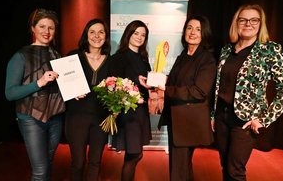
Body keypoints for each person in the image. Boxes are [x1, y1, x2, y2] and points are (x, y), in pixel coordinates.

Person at [211, 4, 283, 181]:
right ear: (236, 23)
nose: (248, 23)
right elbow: (219, 85)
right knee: (225, 165)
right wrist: (213, 115)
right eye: (243, 19)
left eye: (254, 20)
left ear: (260, 23)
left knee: (235, 170)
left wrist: (263, 119)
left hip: (246, 121)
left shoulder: (270, 49)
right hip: (221, 117)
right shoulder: (227, 50)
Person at [5, 8, 65, 180]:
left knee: (48, 165)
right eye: (42, 26)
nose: (46, 32)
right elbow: (10, 93)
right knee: (40, 171)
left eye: (51, 28)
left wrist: (72, 92)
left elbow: (60, 86)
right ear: (33, 28)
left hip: (55, 118)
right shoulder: (20, 56)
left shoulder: (56, 54)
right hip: (31, 119)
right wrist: (39, 82)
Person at [158, 15, 217, 181]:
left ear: (204, 33)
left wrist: (166, 90)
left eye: (198, 29)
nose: (193, 32)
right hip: (177, 119)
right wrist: (155, 81)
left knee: (179, 169)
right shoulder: (184, 55)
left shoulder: (207, 59)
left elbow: (199, 91)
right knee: (181, 166)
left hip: (188, 122)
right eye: (189, 28)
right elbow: (174, 82)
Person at [65, 18, 111, 181]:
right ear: (86, 35)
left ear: (106, 36)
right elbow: (60, 82)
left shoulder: (112, 61)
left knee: (95, 161)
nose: (97, 36)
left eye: (101, 32)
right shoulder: (73, 57)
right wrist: (71, 91)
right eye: (92, 32)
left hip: (101, 119)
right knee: (77, 162)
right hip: (76, 117)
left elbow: (119, 88)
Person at [109, 20, 152, 181]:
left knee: (135, 154)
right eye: (136, 33)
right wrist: (134, 91)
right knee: (134, 154)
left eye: (143, 35)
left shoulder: (143, 58)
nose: (139, 37)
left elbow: (146, 83)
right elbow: (114, 85)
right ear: (128, 34)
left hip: (140, 113)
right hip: (128, 113)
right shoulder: (118, 57)